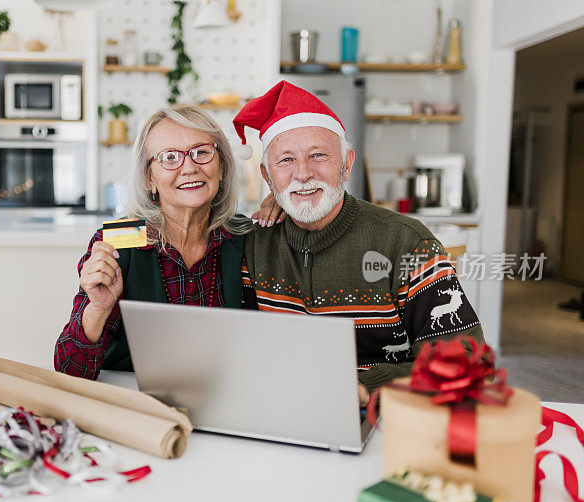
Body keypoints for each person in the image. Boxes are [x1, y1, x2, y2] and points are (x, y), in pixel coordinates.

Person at [233, 81, 485, 406]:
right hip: (281, 409)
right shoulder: (253, 244)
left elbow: (468, 361)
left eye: (318, 155)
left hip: (384, 417)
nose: (303, 174)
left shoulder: (406, 241)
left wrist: (366, 389)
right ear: (267, 176)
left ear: (347, 163)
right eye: (285, 161)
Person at [54, 105, 252, 379]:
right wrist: (98, 308)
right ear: (150, 179)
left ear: (221, 168)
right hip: (137, 403)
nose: (190, 167)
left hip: (225, 394)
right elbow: (69, 370)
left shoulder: (245, 237)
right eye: (169, 157)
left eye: (202, 152)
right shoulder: (117, 242)